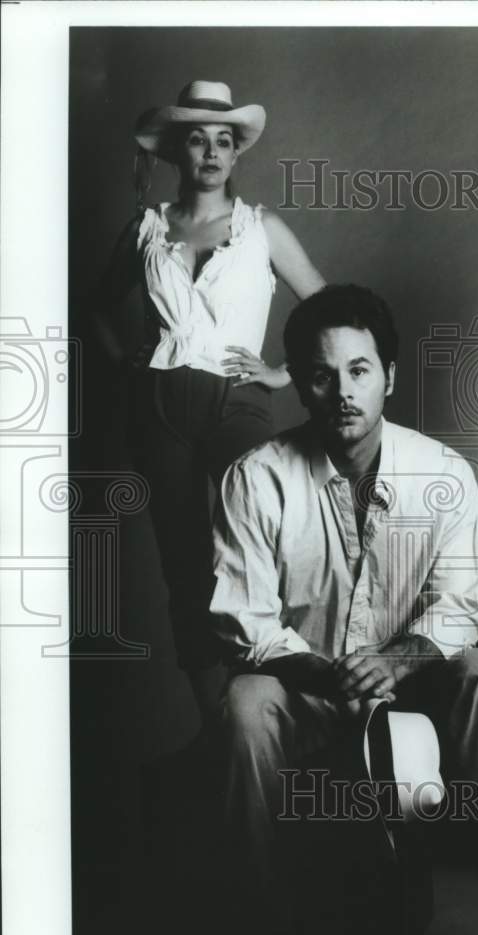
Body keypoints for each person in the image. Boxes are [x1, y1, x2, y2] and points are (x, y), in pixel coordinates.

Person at [210, 284, 478, 935]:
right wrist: (325, 673)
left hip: (416, 683)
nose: (343, 391)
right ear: (299, 383)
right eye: (322, 374)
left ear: (388, 377)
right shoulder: (256, 478)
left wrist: (394, 660)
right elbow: (245, 618)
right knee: (245, 704)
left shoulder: (442, 473)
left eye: (359, 370)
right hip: (306, 687)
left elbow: (460, 604)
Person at [91, 81, 325, 725]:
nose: (213, 152)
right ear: (177, 151)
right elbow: (97, 307)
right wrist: (127, 367)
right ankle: (215, 724)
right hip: (159, 408)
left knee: (256, 555)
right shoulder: (148, 228)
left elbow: (327, 307)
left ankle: (278, 709)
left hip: (237, 404)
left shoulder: (260, 228)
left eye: (224, 140)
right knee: (184, 564)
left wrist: (281, 375)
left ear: (236, 152)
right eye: (198, 139)